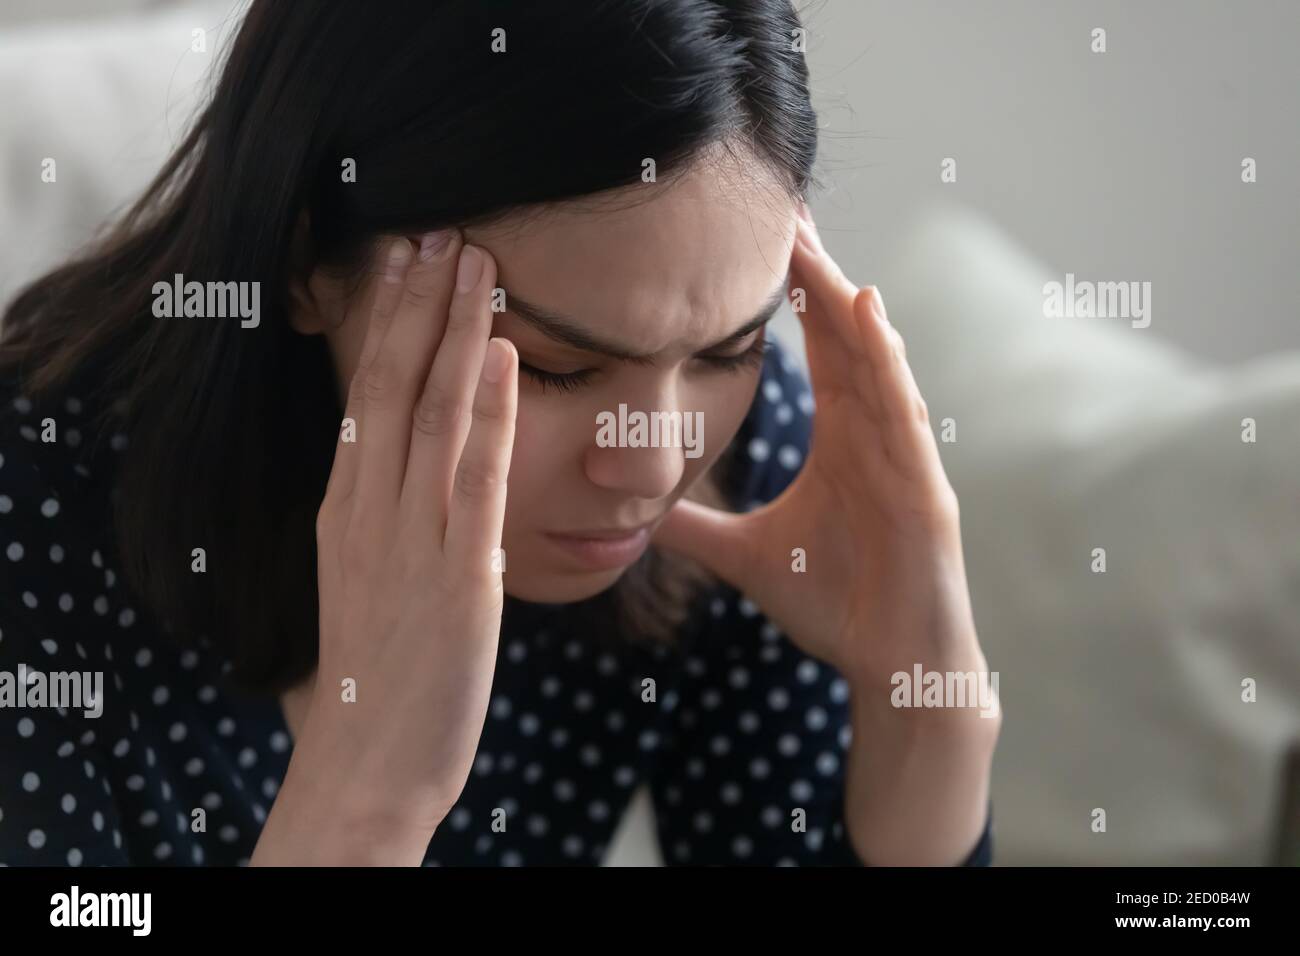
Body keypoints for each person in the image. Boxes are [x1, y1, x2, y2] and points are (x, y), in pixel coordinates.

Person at [0, 0, 998, 866]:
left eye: (728, 350)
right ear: (304, 259)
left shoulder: (748, 467)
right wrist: (366, 795)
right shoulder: (31, 510)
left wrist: (927, 705)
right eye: (559, 365)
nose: (655, 462)